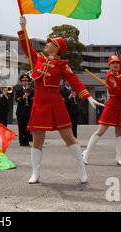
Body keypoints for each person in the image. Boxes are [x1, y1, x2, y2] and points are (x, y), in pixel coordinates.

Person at [18, 17, 103, 184]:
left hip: (56, 102)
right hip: (39, 103)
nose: (47, 44)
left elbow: (74, 81)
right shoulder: (38, 59)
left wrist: (88, 97)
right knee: (37, 140)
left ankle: (82, 170)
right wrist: (23, 27)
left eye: (50, 43)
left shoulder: (63, 65)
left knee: (69, 137)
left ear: (57, 49)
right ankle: (35, 173)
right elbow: (26, 47)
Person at [82, 35, 121, 166]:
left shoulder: (119, 72)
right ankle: (86, 154)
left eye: (117, 63)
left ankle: (119, 157)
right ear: (109, 65)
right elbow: (118, 91)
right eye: (113, 63)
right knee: (101, 130)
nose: (116, 64)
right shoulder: (110, 75)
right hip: (113, 104)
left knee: (120, 131)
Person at [15, 74, 34, 147]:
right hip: (20, 111)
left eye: (26, 81)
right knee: (21, 127)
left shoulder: (31, 90)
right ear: (21, 82)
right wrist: (23, 97)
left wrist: (30, 97)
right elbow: (16, 100)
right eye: (23, 81)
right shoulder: (19, 91)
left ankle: (26, 141)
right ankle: (21, 141)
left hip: (28, 111)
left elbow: (33, 99)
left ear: (28, 82)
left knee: (27, 127)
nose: (25, 82)